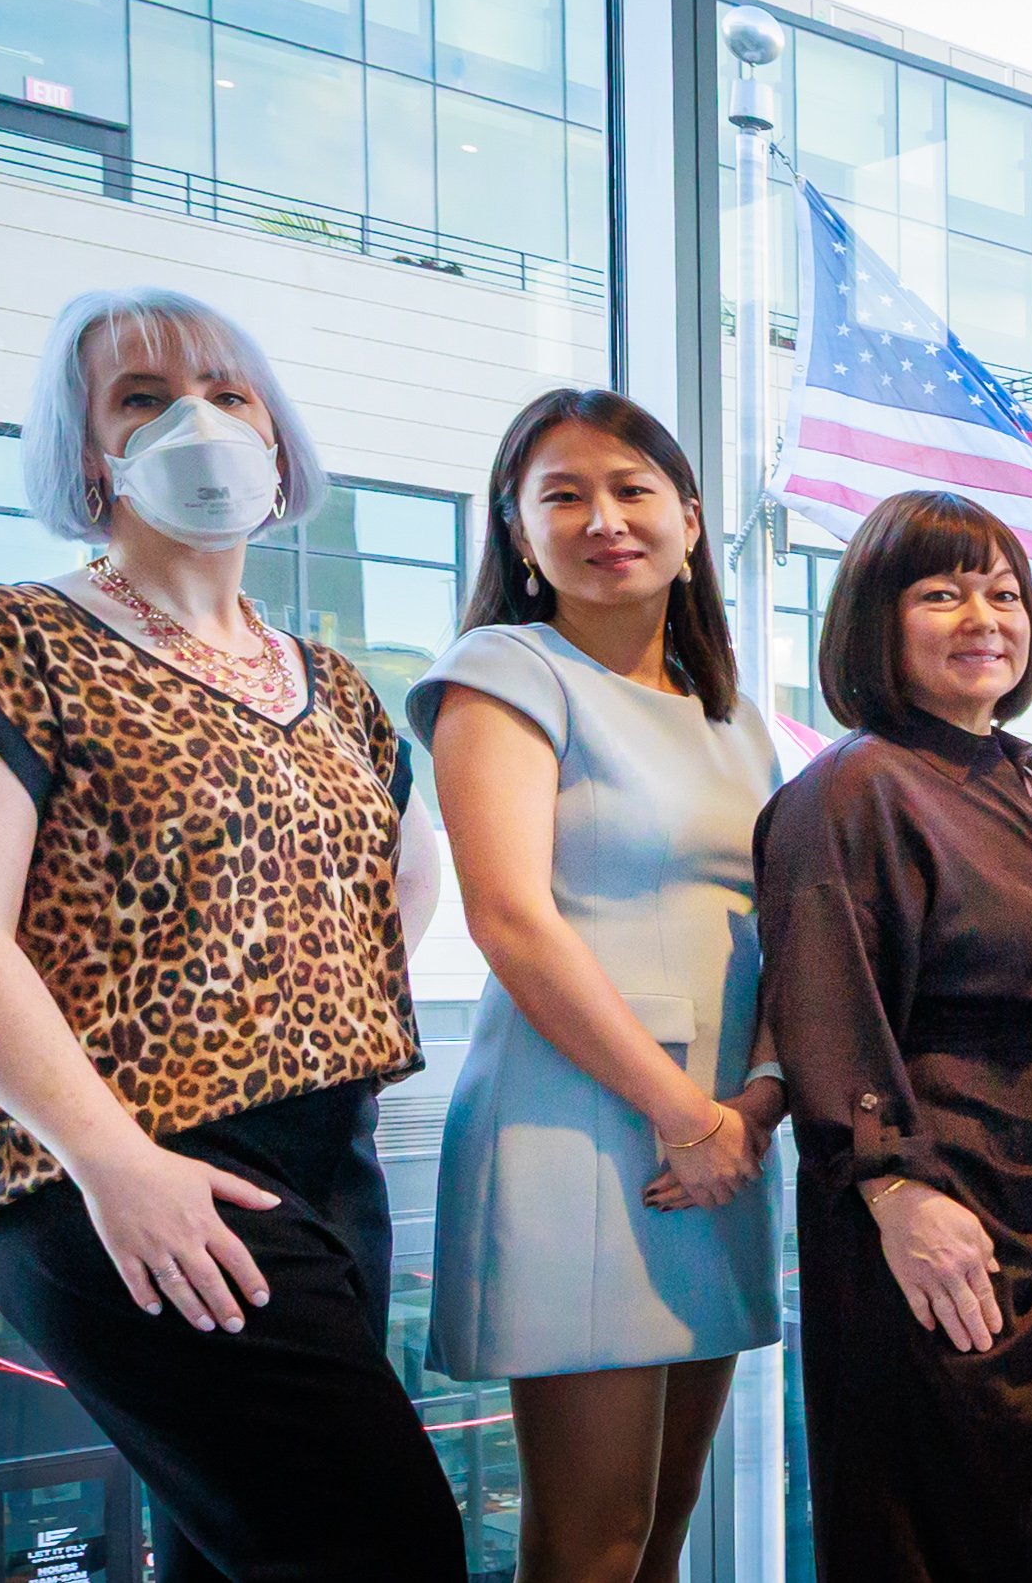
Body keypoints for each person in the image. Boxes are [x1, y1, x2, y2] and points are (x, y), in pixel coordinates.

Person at [0, 287, 464, 1578]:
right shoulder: (5, 634)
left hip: (329, 1162)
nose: (198, 420)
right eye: (143, 397)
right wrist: (113, 1157)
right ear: (89, 451)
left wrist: (282, 996)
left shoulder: (332, 682)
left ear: (276, 435)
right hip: (119, 1166)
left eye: (228, 392)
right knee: (388, 1545)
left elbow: (395, 889)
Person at [415, 389, 786, 1583]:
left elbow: (777, 929)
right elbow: (510, 919)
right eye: (563, 495)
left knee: (666, 1518)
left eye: (632, 489)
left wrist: (755, 1103)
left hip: (721, 1134)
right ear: (518, 532)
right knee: (593, 1541)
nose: (604, 519)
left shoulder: (734, 718)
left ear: (690, 519)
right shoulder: (504, 669)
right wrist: (684, 1117)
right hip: (581, 1124)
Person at [758, 490, 1032, 1582]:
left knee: (1018, 1512)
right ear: (877, 617)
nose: (985, 618)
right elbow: (826, 1002)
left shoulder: (1020, 775)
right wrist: (894, 1192)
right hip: (924, 1183)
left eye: (1005, 594)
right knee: (919, 1514)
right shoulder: (853, 784)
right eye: (942, 593)